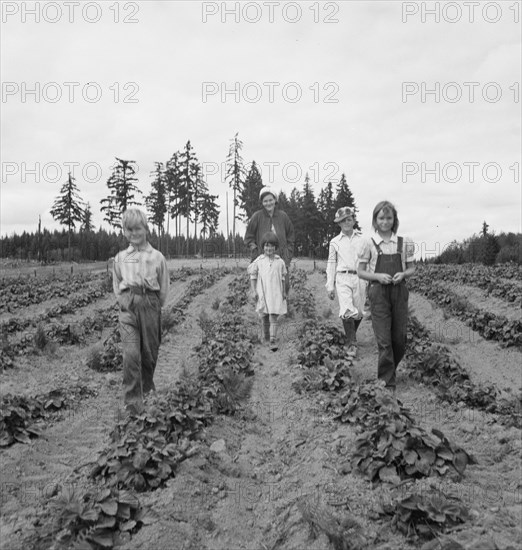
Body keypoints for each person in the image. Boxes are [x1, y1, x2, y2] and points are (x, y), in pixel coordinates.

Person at [112, 208, 170, 414]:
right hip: (128, 306)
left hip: (150, 303)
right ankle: (133, 404)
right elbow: (117, 283)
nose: (133, 233)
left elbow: (163, 286)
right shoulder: (120, 257)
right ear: (124, 232)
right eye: (128, 230)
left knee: (149, 353)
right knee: (130, 355)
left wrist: (154, 305)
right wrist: (125, 301)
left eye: (137, 229)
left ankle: (147, 393)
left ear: (145, 229)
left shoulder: (157, 257)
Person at [357, 201, 415, 394]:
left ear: (394, 220)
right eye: (381, 218)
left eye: (389, 218)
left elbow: (412, 268)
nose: (385, 221)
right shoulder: (369, 243)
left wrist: (403, 275)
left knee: (399, 339)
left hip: (399, 292)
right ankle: (386, 383)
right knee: (384, 340)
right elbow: (361, 272)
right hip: (378, 292)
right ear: (375, 220)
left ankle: (390, 370)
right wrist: (378, 276)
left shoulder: (403, 242)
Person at [325, 207, 367, 357]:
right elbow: (331, 263)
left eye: (349, 219)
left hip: (360, 278)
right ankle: (352, 344)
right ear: (339, 224)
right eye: (343, 221)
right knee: (347, 310)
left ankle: (350, 336)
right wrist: (330, 285)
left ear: (354, 220)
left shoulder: (363, 239)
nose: (346, 223)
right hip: (342, 277)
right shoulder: (335, 242)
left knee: (359, 312)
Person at [244, 186, 295, 293]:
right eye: (265, 201)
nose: (268, 203)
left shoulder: (283, 216)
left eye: (270, 200)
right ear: (262, 202)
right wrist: (256, 251)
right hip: (262, 261)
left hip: (281, 260)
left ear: (275, 200)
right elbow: (248, 237)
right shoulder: (257, 217)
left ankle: (282, 309)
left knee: (282, 290)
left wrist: (288, 254)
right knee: (263, 291)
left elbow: (291, 237)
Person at [247, 231, 287, 351]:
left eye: (271, 246)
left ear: (275, 247)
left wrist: (284, 291)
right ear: (263, 246)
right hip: (263, 292)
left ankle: (273, 340)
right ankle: (266, 337)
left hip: (275, 293)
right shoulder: (259, 261)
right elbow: (253, 277)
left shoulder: (280, 262)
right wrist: (254, 291)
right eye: (266, 245)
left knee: (273, 316)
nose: (268, 248)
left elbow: (283, 278)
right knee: (264, 316)